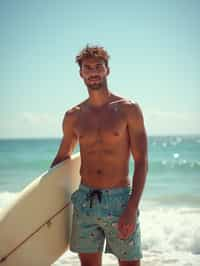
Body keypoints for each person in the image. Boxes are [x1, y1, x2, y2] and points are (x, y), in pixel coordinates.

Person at [51, 45, 148, 266]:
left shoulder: (128, 109)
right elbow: (62, 157)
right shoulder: (73, 116)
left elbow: (141, 161)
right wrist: (42, 197)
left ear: (107, 70)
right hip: (85, 201)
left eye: (98, 67)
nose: (93, 72)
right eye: (88, 68)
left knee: (131, 264)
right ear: (81, 73)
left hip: (120, 201)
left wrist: (132, 207)